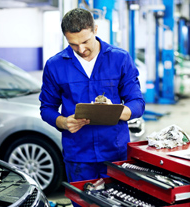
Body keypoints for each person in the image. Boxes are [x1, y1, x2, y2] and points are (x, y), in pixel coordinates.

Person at [39, 7, 145, 203]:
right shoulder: (55, 65)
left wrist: (117, 111)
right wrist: (63, 122)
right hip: (78, 155)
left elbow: (137, 103)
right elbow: (46, 108)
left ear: (95, 29)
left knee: (119, 203)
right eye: (73, 44)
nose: (81, 49)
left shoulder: (120, 59)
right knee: (83, 204)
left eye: (85, 41)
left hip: (115, 153)